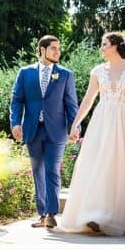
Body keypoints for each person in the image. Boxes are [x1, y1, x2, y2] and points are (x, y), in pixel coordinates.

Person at [56, 32, 125, 236]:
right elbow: (87, 100)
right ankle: (94, 215)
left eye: (104, 44)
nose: (101, 48)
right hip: (101, 123)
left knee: (123, 168)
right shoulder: (97, 71)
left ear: (115, 46)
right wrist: (75, 124)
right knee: (97, 166)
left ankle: (118, 217)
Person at [10, 35, 79, 229]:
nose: (58, 52)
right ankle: (42, 214)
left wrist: (75, 127)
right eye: (54, 48)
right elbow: (17, 101)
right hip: (32, 129)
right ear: (42, 49)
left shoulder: (65, 75)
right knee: (37, 171)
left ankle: (50, 213)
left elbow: (71, 105)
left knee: (52, 170)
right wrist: (15, 123)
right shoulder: (25, 73)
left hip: (56, 131)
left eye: (58, 48)